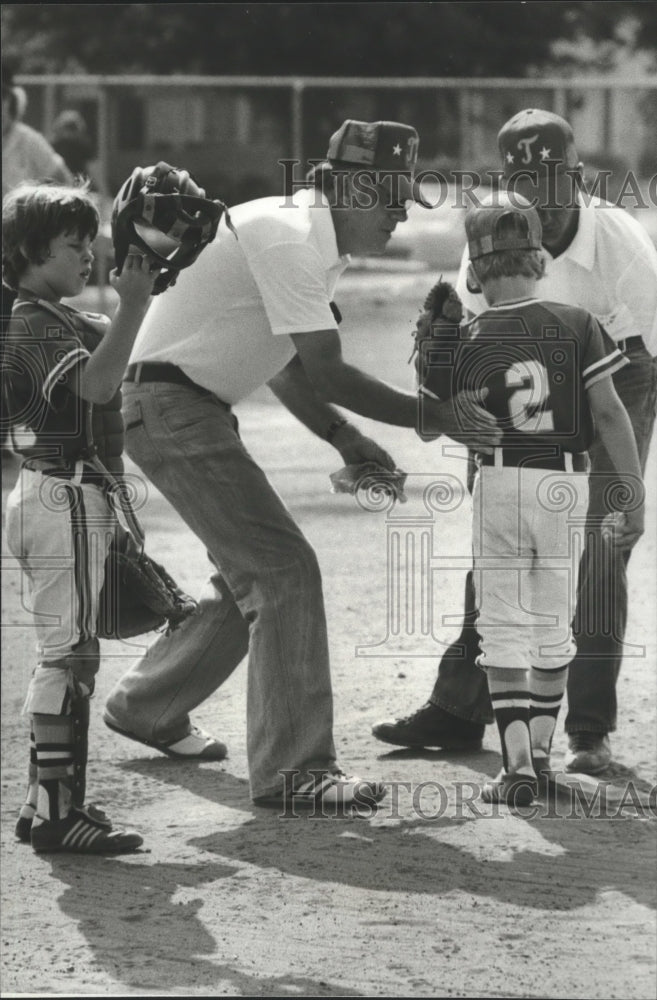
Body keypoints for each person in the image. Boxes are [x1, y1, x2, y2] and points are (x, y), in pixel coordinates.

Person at [102, 119, 502, 810]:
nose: (401, 209)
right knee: (282, 571)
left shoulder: (307, 239)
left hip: (178, 402)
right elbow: (329, 370)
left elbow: (286, 368)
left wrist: (344, 440)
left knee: (252, 573)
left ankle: (147, 706)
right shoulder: (289, 236)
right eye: (389, 195)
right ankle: (295, 770)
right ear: (348, 187)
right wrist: (435, 418)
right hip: (169, 403)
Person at [372, 109, 657, 776]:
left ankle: (586, 729)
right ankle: (458, 708)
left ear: (577, 177)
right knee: (503, 530)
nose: (542, 197)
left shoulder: (617, 241)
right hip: (530, 382)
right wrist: (469, 423)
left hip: (625, 375)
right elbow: (470, 363)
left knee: (599, 547)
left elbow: (632, 377)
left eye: (553, 179)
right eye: (527, 180)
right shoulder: (494, 231)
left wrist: (622, 482)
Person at [424, 194, 643, 804]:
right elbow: (610, 412)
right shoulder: (578, 322)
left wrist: (433, 359)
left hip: (499, 481)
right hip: (565, 485)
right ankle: (544, 759)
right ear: (540, 258)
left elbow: (428, 421)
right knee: (553, 624)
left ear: (475, 268)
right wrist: (631, 493)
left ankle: (516, 766)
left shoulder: (471, 330)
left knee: (501, 626)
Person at [3, 181, 158, 852]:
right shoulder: (33, 320)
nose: (86, 257)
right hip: (58, 495)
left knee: (71, 655)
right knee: (65, 658)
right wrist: (133, 304)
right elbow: (97, 385)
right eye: (73, 246)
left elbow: (123, 354)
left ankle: (45, 805)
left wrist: (145, 289)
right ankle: (61, 815)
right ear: (30, 252)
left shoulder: (51, 314)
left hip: (62, 493)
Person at [2, 61, 72, 196]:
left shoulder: (29, 140)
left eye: (2, 95)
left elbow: (64, 183)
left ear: (12, 99)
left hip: (18, 216)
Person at [51, 109, 96, 182]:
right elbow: (93, 169)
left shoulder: (54, 146)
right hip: (78, 185)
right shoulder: (83, 146)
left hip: (59, 186)